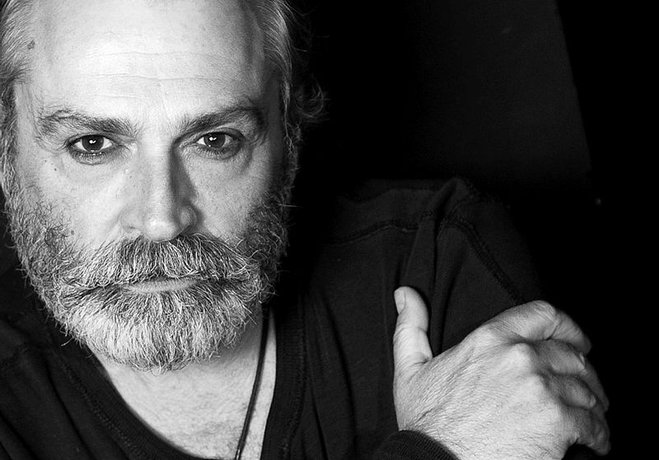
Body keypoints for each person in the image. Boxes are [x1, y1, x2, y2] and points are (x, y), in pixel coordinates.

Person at [0, 0, 610, 459]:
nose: (162, 220)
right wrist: (441, 447)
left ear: (288, 133)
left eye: (215, 141)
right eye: (92, 145)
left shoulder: (436, 255)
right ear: (7, 153)